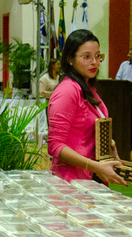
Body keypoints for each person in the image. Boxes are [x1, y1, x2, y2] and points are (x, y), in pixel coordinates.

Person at [47, 29, 126, 186]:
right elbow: (55, 145)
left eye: (97, 56)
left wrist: (107, 153)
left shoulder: (88, 88)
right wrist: (95, 166)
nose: (94, 62)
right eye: (87, 57)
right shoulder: (68, 90)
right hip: (70, 182)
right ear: (70, 59)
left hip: (90, 179)